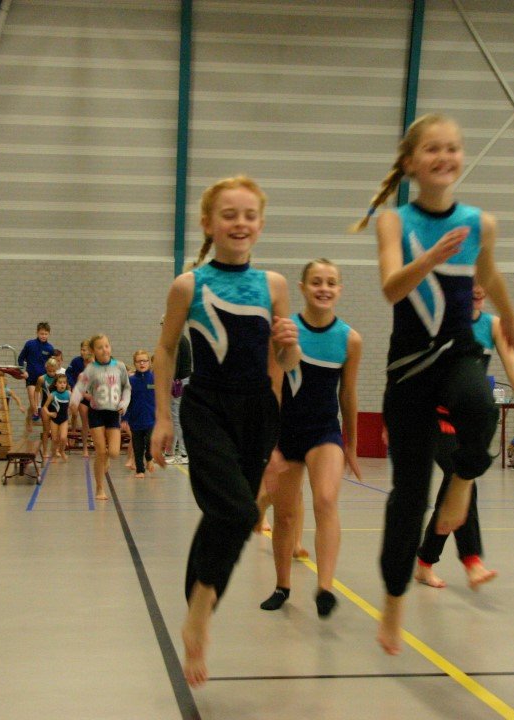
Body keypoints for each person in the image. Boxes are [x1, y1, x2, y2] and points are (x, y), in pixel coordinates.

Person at [352, 113, 514, 655]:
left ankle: (463, 482)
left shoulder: (479, 222)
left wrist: (508, 313)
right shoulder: (393, 221)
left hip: (457, 351)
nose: (444, 157)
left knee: (479, 408)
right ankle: (394, 600)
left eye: (453, 148)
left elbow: (488, 273)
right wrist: (430, 256)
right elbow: (391, 288)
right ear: (410, 163)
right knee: (408, 496)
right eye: (432, 149)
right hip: (409, 368)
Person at [150, 176, 299, 687]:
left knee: (224, 516)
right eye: (229, 214)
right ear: (208, 224)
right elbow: (166, 349)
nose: (240, 223)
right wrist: (163, 417)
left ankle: (199, 602)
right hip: (207, 407)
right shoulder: (188, 285)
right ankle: (200, 611)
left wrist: (290, 342)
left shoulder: (274, 285)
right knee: (238, 512)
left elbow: (285, 363)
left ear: (261, 224)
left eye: (249, 215)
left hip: (257, 412)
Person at [413, 285, 514, 591]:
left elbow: (511, 361)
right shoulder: (440, 321)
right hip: (436, 415)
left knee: (455, 485)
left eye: (483, 282)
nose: (478, 288)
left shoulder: (492, 325)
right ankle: (471, 560)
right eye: (470, 281)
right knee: (461, 476)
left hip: (469, 417)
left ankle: (425, 562)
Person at [259, 258, 361, 618]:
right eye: (316, 281)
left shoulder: (349, 339)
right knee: (286, 515)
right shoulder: (286, 331)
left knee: (326, 500)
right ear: (302, 288)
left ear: (340, 289)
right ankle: (282, 586)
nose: (324, 288)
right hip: (286, 432)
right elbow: (273, 387)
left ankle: (325, 588)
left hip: (324, 432)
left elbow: (348, 394)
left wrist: (351, 445)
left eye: (331, 282)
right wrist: (270, 442)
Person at [70, 334, 131, 500]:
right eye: (100, 347)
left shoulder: (119, 366)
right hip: (96, 412)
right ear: (93, 351)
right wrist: (74, 401)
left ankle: (106, 458)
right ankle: (99, 488)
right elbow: (80, 387)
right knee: (100, 451)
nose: (104, 350)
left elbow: (127, 387)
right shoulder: (91, 369)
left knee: (114, 452)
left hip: (113, 413)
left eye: (106, 346)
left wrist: (124, 403)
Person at [125, 350, 156, 477]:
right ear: (134, 363)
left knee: (150, 440)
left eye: (144, 361)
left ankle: (149, 457)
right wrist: (125, 418)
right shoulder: (130, 381)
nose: (142, 363)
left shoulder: (155, 379)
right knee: (138, 446)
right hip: (135, 419)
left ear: (149, 362)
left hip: (152, 418)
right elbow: (126, 401)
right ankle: (140, 470)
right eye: (139, 361)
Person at [166, 320, 193, 465]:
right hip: (183, 380)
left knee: (177, 419)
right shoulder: (183, 339)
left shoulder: (178, 340)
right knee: (176, 418)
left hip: (180, 382)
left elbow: (175, 364)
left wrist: (172, 382)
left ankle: (183, 453)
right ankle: (173, 452)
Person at [18, 322, 54, 421]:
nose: (43, 336)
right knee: (32, 397)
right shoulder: (30, 344)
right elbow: (20, 358)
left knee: (40, 399)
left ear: (49, 334)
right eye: (41, 334)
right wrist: (23, 371)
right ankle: (35, 412)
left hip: (43, 378)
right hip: (31, 376)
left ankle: (34, 413)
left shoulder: (50, 348)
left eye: (46, 334)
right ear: (37, 333)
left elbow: (51, 364)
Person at [36, 358, 61, 457]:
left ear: (56, 369)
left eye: (53, 371)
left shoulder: (59, 378)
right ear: (46, 368)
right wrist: (36, 405)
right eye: (49, 371)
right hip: (45, 406)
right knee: (46, 430)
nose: (51, 373)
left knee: (57, 430)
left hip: (56, 406)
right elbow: (36, 391)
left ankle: (56, 450)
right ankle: (45, 451)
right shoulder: (41, 379)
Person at [43, 373, 71, 460]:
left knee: (63, 437)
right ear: (56, 384)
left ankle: (61, 451)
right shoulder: (53, 395)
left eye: (64, 383)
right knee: (54, 439)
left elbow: (72, 404)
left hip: (64, 419)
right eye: (60, 382)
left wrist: (71, 410)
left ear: (66, 384)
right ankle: (53, 453)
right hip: (54, 420)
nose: (62, 384)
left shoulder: (68, 393)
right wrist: (49, 414)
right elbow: (44, 407)